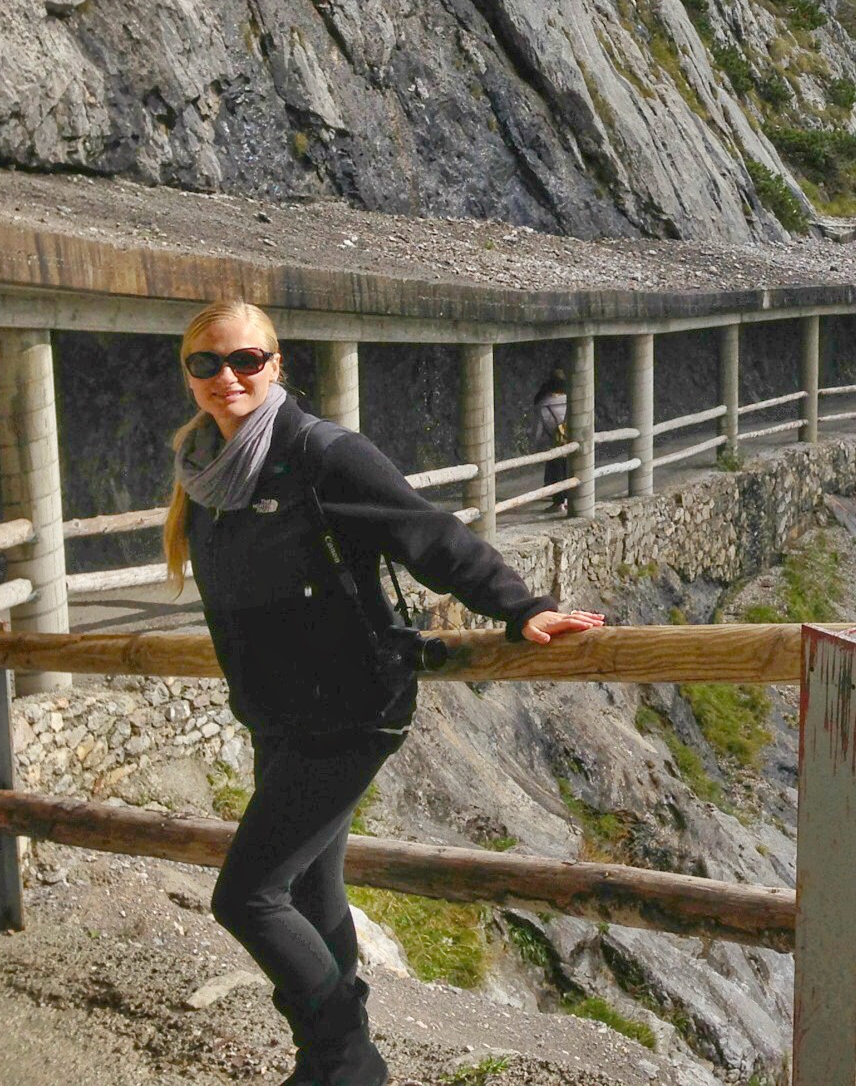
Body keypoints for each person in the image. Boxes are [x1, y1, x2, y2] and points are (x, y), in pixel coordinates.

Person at [163, 301, 603, 1085]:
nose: (226, 377)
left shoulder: (323, 453)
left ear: (276, 364)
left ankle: (346, 1059)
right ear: (189, 372)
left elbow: (426, 532)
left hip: (349, 707)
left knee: (247, 898)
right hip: (278, 713)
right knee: (306, 885)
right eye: (207, 363)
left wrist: (521, 605)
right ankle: (331, 1066)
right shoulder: (202, 467)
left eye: (245, 361)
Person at [533, 366, 571, 513]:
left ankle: (559, 502)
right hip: (571, 440)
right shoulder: (571, 400)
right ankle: (569, 499)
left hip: (555, 443)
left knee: (557, 472)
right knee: (570, 469)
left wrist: (535, 448)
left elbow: (538, 430)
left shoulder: (542, 405)